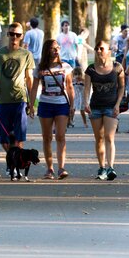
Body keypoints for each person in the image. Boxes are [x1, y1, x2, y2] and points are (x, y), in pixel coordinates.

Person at [0, 22, 36, 159]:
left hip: (20, 100)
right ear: (7, 34)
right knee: (2, 136)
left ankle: (16, 162)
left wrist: (31, 103)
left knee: (19, 135)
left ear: (22, 36)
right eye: (11, 34)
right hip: (3, 100)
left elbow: (29, 79)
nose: (14, 37)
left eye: (17, 35)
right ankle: (12, 157)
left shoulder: (26, 55)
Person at [35, 39, 74, 179]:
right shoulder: (40, 68)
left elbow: (69, 86)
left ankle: (61, 168)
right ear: (47, 51)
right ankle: (49, 169)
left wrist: (72, 105)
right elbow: (34, 87)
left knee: (60, 136)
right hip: (45, 104)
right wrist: (31, 104)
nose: (56, 50)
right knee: (47, 137)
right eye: (53, 48)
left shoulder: (66, 67)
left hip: (62, 104)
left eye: (58, 47)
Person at [86, 41, 124, 180]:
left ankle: (111, 168)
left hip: (111, 106)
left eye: (102, 48)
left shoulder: (117, 67)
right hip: (95, 106)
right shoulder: (90, 69)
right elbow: (86, 88)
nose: (99, 50)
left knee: (109, 137)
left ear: (109, 51)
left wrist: (118, 104)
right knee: (99, 138)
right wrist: (85, 102)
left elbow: (121, 87)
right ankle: (101, 167)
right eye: (97, 48)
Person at [71, 62, 90, 128]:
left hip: (82, 97)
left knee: (82, 110)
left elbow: (87, 86)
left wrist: (82, 80)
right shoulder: (73, 80)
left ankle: (85, 122)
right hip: (75, 97)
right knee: (72, 109)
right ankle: (71, 121)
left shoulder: (83, 80)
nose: (77, 76)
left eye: (79, 74)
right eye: (76, 74)